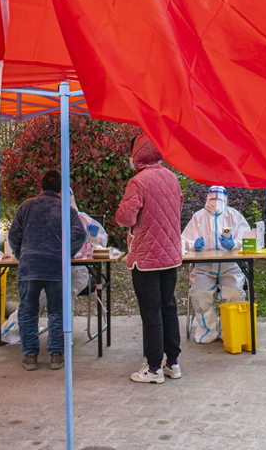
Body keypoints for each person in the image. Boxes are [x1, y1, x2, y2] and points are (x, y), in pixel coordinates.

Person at [115, 134, 183, 384]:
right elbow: (178, 208)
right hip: (170, 255)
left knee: (151, 311)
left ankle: (153, 367)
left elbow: (125, 218)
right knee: (168, 307)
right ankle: (172, 362)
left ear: (137, 153)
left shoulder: (138, 182)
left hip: (145, 258)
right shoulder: (172, 178)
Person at [8, 169, 86, 370]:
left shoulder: (26, 206)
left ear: (40, 186)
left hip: (30, 267)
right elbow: (80, 234)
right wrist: (65, 253)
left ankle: (30, 355)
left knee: (28, 312)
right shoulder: (66, 209)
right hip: (55, 267)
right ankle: (56, 355)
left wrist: (22, 254)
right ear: (61, 190)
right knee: (57, 312)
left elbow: (13, 235)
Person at [181, 186, 250, 343]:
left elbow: (248, 240)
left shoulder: (234, 216)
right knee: (199, 293)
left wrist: (234, 244)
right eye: (212, 198)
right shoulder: (198, 217)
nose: (216, 202)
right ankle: (208, 329)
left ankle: (230, 329)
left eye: (219, 199)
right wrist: (193, 246)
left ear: (226, 199)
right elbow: (183, 241)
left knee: (235, 292)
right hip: (203, 268)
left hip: (230, 267)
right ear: (207, 199)